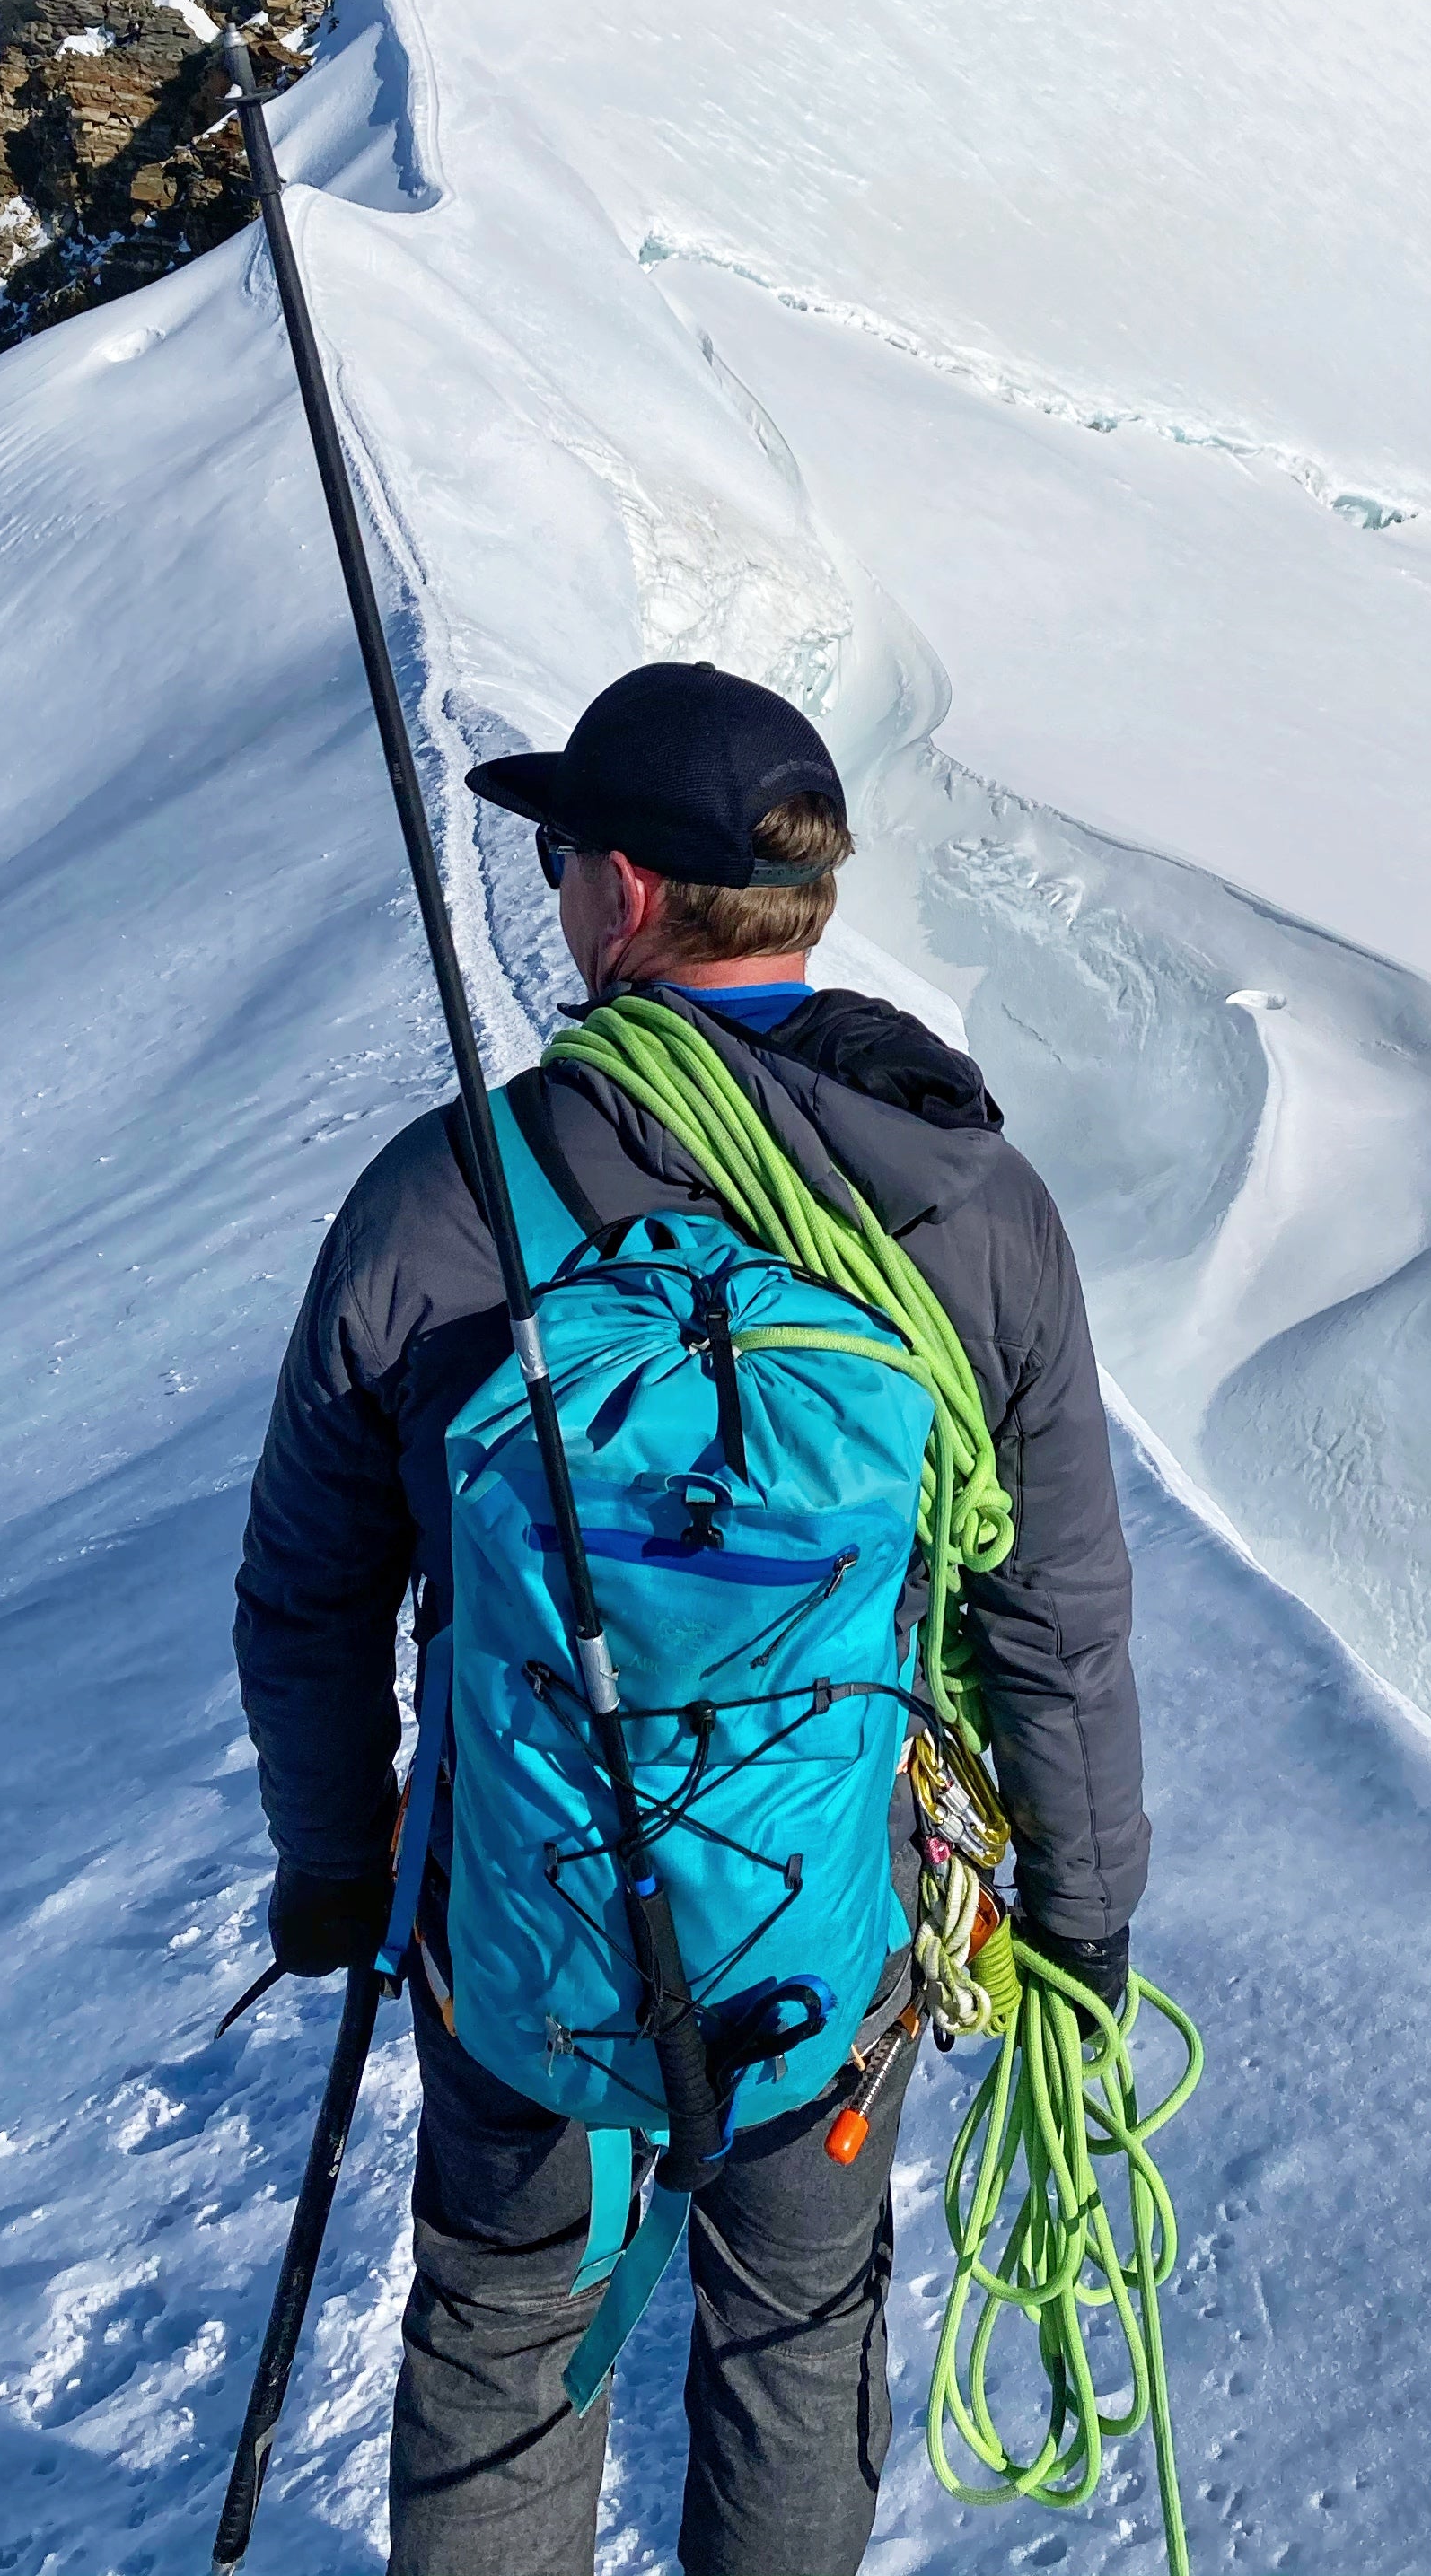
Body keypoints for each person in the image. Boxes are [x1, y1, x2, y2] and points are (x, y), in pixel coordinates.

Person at [235, 659, 1149, 2576]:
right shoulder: (974, 1211)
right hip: (832, 1927)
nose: (561, 883)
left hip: (519, 1934)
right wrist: (1079, 1907)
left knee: (499, 2343)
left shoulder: (446, 1198)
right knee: (798, 2349)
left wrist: (338, 1868)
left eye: (569, 848)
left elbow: (310, 1592)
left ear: (628, 897)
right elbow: (1052, 1612)